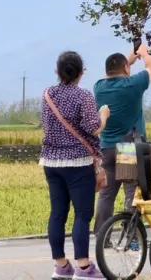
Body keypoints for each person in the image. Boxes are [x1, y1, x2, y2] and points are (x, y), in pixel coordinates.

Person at [40, 51, 111, 279]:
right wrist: (104, 115)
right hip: (78, 163)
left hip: (51, 161)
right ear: (82, 72)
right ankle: (83, 267)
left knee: (58, 213)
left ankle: (61, 266)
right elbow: (94, 128)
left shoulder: (47, 95)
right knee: (82, 214)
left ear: (57, 72)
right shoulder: (83, 96)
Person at [93, 42, 151, 232]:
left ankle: (101, 234)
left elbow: (112, 73)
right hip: (129, 146)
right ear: (126, 69)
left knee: (106, 194)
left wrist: (130, 58)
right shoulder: (133, 84)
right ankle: (132, 234)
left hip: (106, 147)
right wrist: (144, 54)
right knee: (132, 192)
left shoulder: (99, 87)